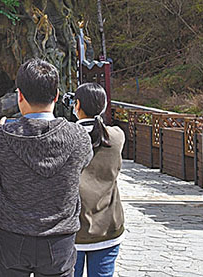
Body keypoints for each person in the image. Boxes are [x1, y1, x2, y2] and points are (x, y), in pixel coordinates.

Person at [0, 59, 92, 277]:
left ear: (20, 96)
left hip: (12, 237)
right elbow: (86, 159)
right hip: (59, 239)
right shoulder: (79, 137)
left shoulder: (4, 135)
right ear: (56, 96)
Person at [72, 83, 125, 277]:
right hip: (108, 226)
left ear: (77, 105)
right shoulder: (117, 137)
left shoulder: (67, 138)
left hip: (73, 229)